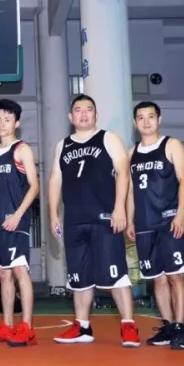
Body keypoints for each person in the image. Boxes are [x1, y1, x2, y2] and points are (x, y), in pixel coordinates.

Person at [48, 94, 140, 347]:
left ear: (96, 115)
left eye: (89, 110)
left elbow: (123, 172)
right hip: (74, 220)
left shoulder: (108, 138)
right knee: (79, 279)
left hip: (105, 219)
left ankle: (128, 325)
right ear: (71, 117)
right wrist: (53, 213)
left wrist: (119, 208)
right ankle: (82, 327)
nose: (84, 114)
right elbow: (55, 180)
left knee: (116, 275)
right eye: (78, 110)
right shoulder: (63, 146)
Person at [126, 102, 184, 350]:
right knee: (157, 278)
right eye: (141, 117)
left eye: (151, 116)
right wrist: (130, 219)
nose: (146, 121)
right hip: (145, 224)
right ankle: (167, 325)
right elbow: (131, 191)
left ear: (159, 119)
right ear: (135, 123)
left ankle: (180, 327)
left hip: (169, 220)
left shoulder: (171, 145)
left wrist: (181, 213)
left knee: (175, 275)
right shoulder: (131, 153)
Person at [0, 99, 40, 347]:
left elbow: (34, 187)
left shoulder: (22, 149)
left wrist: (17, 215)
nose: (2, 124)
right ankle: (6, 325)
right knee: (3, 274)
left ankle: (27, 327)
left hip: (16, 222)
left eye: (7, 119)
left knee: (19, 270)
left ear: (16, 123)